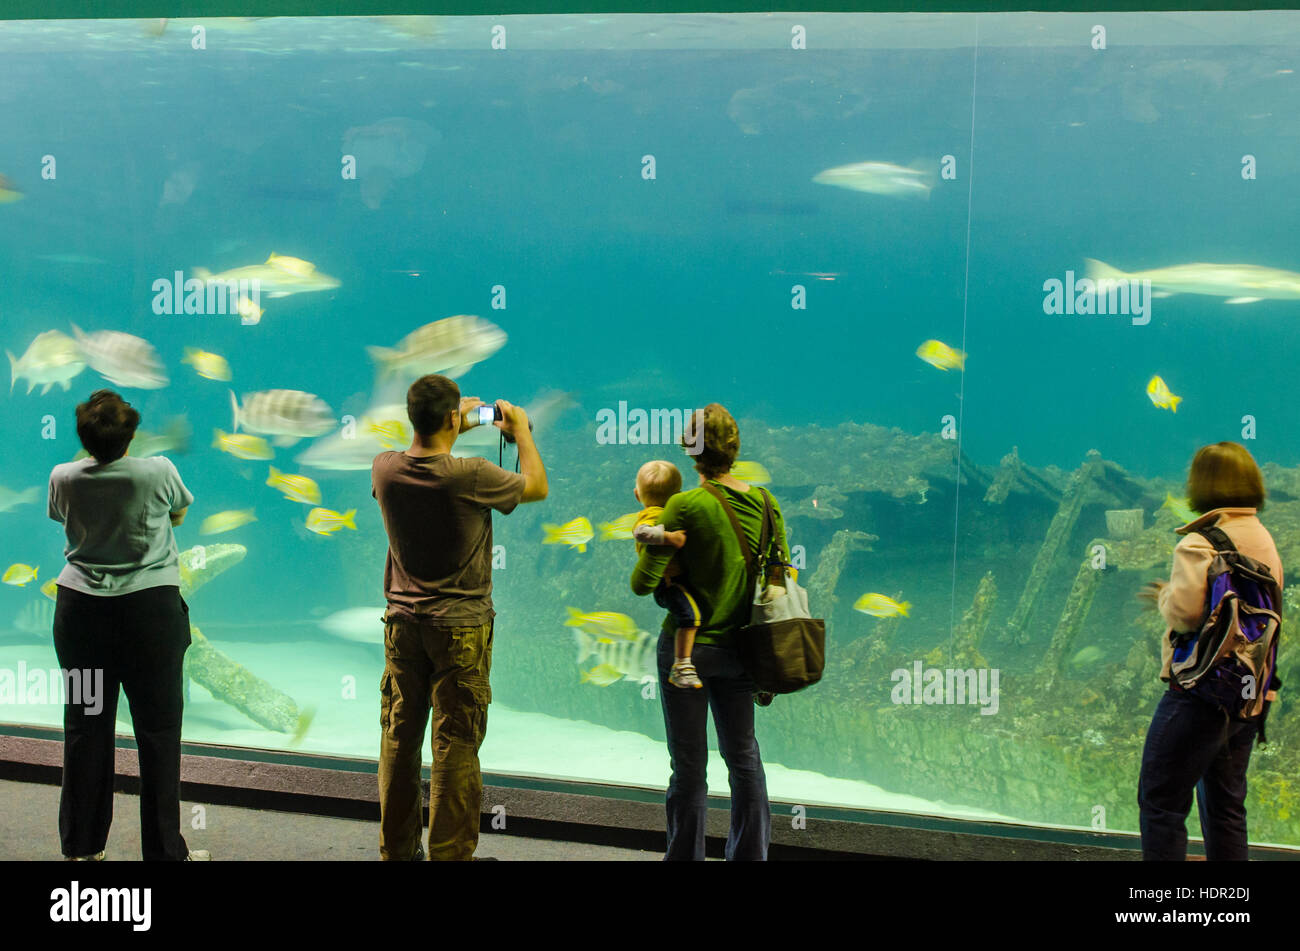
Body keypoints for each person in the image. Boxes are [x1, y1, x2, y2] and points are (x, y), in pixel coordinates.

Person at [371, 374, 547, 861]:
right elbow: (536, 487)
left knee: (400, 737)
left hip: (403, 625)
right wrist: (522, 432)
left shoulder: (383, 468)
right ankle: (450, 856)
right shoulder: (471, 474)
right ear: (453, 418)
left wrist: (451, 426)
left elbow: (427, 454)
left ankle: (398, 852)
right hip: (461, 628)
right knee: (455, 742)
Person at [48, 390, 207, 861]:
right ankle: (163, 854)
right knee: (158, 734)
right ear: (132, 433)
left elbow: (63, 517)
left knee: (85, 729)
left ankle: (81, 848)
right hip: (149, 617)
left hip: (81, 618)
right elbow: (178, 511)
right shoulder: (157, 470)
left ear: (83, 438)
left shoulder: (63, 476)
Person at [631, 403, 788, 860]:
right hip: (743, 650)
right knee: (743, 758)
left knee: (689, 765)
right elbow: (778, 578)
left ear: (690, 449)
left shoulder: (684, 505)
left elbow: (643, 584)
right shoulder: (766, 502)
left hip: (690, 652)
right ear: (736, 448)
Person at [1137, 441, 1282, 861]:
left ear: (1201, 486)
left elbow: (1184, 614)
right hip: (1248, 694)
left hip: (1200, 693)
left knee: (1161, 802)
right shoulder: (1262, 537)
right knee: (1226, 807)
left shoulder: (1200, 542)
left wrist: (1164, 596)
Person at [630, 460, 700, 689]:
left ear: (637, 495)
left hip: (675, 582)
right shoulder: (650, 516)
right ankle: (682, 665)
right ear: (677, 495)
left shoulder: (665, 514)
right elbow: (640, 533)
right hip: (667, 585)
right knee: (690, 617)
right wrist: (670, 538)